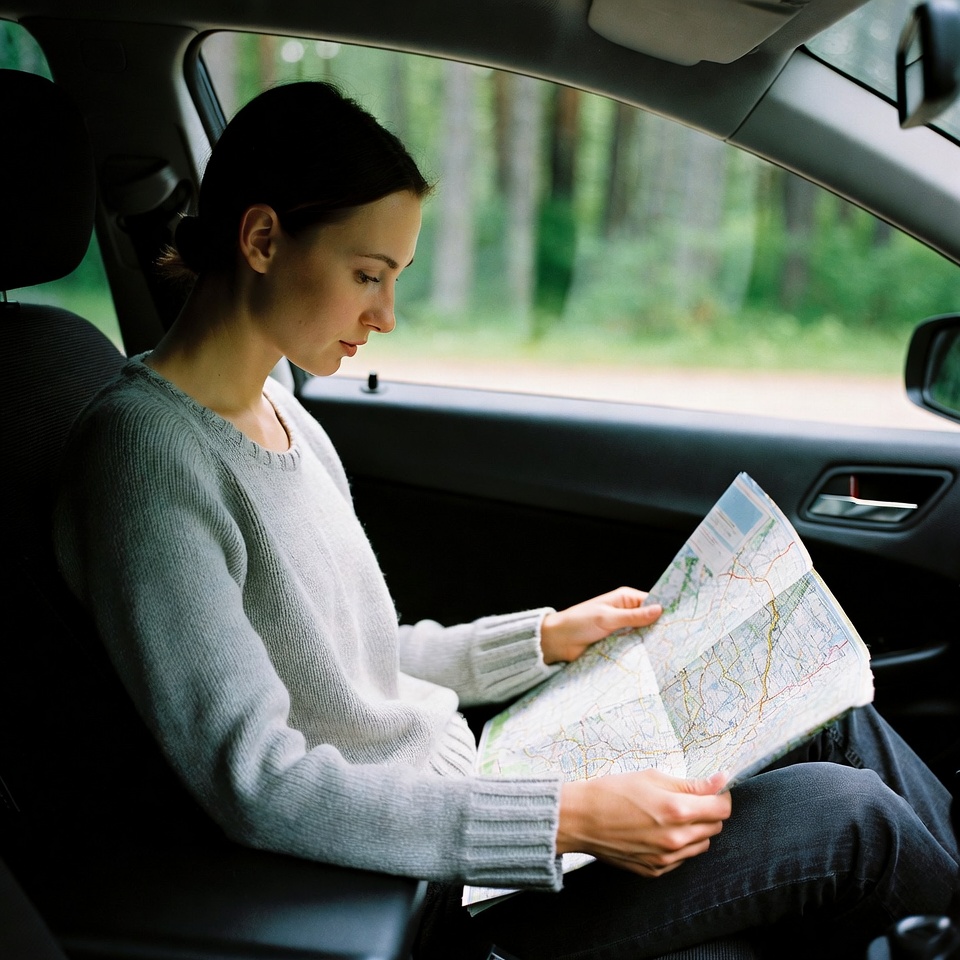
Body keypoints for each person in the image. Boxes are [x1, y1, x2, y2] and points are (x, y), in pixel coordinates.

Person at [53, 80, 958, 960]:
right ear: (261, 239)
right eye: (368, 275)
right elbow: (258, 782)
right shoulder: (146, 455)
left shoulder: (282, 411)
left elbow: (356, 660)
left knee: (839, 719)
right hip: (440, 889)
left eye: (395, 279)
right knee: (853, 817)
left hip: (480, 784)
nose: (387, 315)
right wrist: (569, 818)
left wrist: (545, 638)